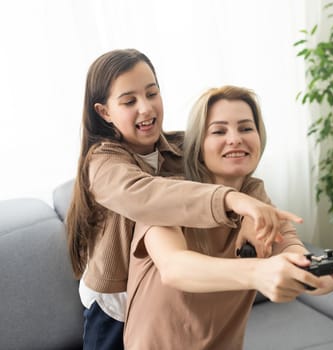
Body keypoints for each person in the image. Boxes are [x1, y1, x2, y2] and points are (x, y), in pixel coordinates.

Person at [66, 49, 302, 350]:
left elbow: (230, 169)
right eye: (129, 101)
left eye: (152, 93)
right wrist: (233, 202)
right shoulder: (101, 163)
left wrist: (251, 202)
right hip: (113, 309)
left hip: (162, 307)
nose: (146, 108)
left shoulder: (180, 149)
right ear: (104, 112)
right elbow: (148, 195)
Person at [124, 85, 333, 349]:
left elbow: (300, 266)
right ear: (198, 145)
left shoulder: (261, 206)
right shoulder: (167, 195)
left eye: (245, 128)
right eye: (219, 131)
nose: (235, 139)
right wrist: (257, 272)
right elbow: (175, 268)